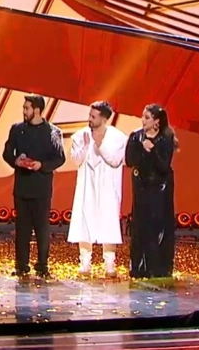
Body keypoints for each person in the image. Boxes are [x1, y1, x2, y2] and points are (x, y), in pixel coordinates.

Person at [2, 94, 66, 278]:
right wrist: (16, 161)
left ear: (37, 110)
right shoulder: (17, 129)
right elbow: (7, 152)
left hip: (41, 188)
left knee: (41, 228)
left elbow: (60, 158)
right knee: (22, 228)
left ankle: (42, 265)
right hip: (22, 186)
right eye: (23, 108)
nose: (24, 111)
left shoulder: (53, 132)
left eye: (26, 108)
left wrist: (42, 165)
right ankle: (21, 265)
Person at [67, 101, 127, 276]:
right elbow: (76, 160)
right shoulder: (80, 136)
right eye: (90, 115)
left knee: (108, 221)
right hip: (87, 186)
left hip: (107, 186)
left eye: (94, 116)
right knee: (85, 221)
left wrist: (101, 145)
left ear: (104, 119)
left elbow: (115, 160)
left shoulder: (118, 137)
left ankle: (109, 264)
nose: (90, 119)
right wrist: (86, 146)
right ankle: (85, 262)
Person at [125, 103, 177, 279]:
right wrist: (141, 148)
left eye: (147, 117)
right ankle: (139, 267)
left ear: (157, 122)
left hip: (160, 188)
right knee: (140, 225)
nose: (143, 120)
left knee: (157, 226)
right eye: (143, 116)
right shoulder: (136, 137)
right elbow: (129, 160)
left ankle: (158, 267)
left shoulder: (165, 139)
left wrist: (152, 150)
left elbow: (163, 166)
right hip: (141, 186)